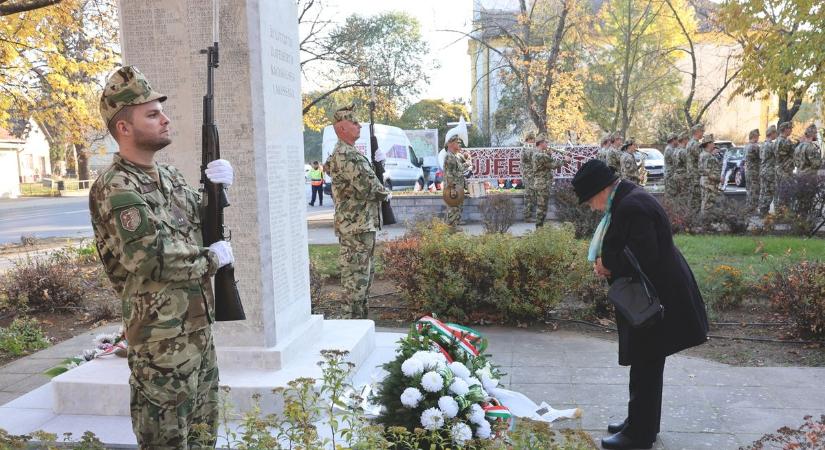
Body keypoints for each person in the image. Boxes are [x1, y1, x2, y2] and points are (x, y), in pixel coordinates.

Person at [90, 66, 235, 449]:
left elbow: (202, 227)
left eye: (161, 111)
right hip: (160, 346)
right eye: (152, 114)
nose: (165, 118)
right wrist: (211, 260)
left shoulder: (169, 177)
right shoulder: (117, 186)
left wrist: (218, 192)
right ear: (124, 127)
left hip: (198, 334)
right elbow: (150, 258)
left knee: (204, 438)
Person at [572, 159, 708, 450]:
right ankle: (640, 422)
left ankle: (640, 434)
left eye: (589, 200)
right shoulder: (627, 197)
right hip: (654, 294)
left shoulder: (631, 206)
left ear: (601, 190)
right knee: (646, 361)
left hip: (656, 298)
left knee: (646, 362)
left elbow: (642, 256)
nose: (591, 207)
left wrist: (606, 263)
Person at [324, 104, 391, 319]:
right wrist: (385, 189)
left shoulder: (348, 153)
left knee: (362, 281)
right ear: (341, 128)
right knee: (356, 284)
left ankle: (359, 325)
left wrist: (378, 166)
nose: (359, 125)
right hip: (356, 228)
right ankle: (349, 328)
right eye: (354, 122)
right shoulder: (346, 155)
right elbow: (371, 187)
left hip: (360, 225)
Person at [531, 133, 561, 227]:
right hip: (542, 185)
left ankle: (540, 229)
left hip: (541, 184)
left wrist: (549, 154)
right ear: (541, 143)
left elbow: (546, 164)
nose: (547, 144)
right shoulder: (540, 155)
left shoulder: (538, 153)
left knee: (542, 207)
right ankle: (539, 230)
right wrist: (565, 160)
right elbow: (553, 165)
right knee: (541, 208)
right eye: (546, 142)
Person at [443, 134, 471, 227]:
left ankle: (455, 225)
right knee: (453, 208)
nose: (460, 145)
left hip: (459, 186)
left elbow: (466, 162)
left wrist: (468, 159)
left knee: (458, 207)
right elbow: (449, 173)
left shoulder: (458, 155)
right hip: (453, 187)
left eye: (460, 143)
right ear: (450, 144)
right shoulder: (449, 156)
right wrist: (452, 188)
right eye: (457, 143)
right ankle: (450, 227)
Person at [697, 134, 722, 218]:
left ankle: (705, 222)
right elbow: (708, 172)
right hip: (709, 183)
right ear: (708, 144)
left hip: (707, 183)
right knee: (708, 204)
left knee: (706, 202)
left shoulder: (705, 154)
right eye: (712, 142)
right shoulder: (707, 156)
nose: (714, 144)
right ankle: (706, 222)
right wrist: (720, 179)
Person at [774, 121, 795, 210]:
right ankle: (783, 213)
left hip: (779, 169)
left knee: (778, 192)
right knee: (785, 192)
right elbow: (794, 153)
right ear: (785, 129)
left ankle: (778, 211)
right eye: (790, 128)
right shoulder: (785, 141)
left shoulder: (777, 140)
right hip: (785, 170)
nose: (791, 130)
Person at [758, 125, 778, 215]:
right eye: (775, 133)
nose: (776, 135)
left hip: (763, 170)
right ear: (772, 133)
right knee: (769, 192)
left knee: (763, 191)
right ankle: (764, 211)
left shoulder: (762, 144)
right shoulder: (771, 145)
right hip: (769, 171)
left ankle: (762, 210)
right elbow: (778, 156)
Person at [685, 124, 705, 212]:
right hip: (695, 175)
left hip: (691, 174)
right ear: (697, 132)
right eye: (702, 131)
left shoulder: (690, 143)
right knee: (696, 200)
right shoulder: (695, 144)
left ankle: (691, 218)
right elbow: (702, 158)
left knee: (692, 198)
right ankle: (695, 220)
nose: (703, 133)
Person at [521, 131, 537, 222]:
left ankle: (529, 215)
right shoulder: (526, 148)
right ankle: (527, 217)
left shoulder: (530, 147)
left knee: (532, 196)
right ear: (528, 139)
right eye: (533, 140)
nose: (534, 141)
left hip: (532, 175)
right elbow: (532, 157)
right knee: (528, 196)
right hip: (528, 176)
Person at [743, 129, 761, 211]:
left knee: (749, 190)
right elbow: (761, 157)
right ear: (755, 136)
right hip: (754, 171)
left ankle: (748, 208)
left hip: (748, 171)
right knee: (755, 190)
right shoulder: (755, 147)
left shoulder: (746, 146)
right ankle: (753, 209)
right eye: (757, 136)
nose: (758, 138)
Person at [662, 134, 677, 202]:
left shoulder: (671, 148)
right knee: (670, 196)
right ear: (673, 140)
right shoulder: (669, 149)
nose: (677, 141)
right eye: (676, 139)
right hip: (670, 175)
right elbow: (676, 161)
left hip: (671, 175)